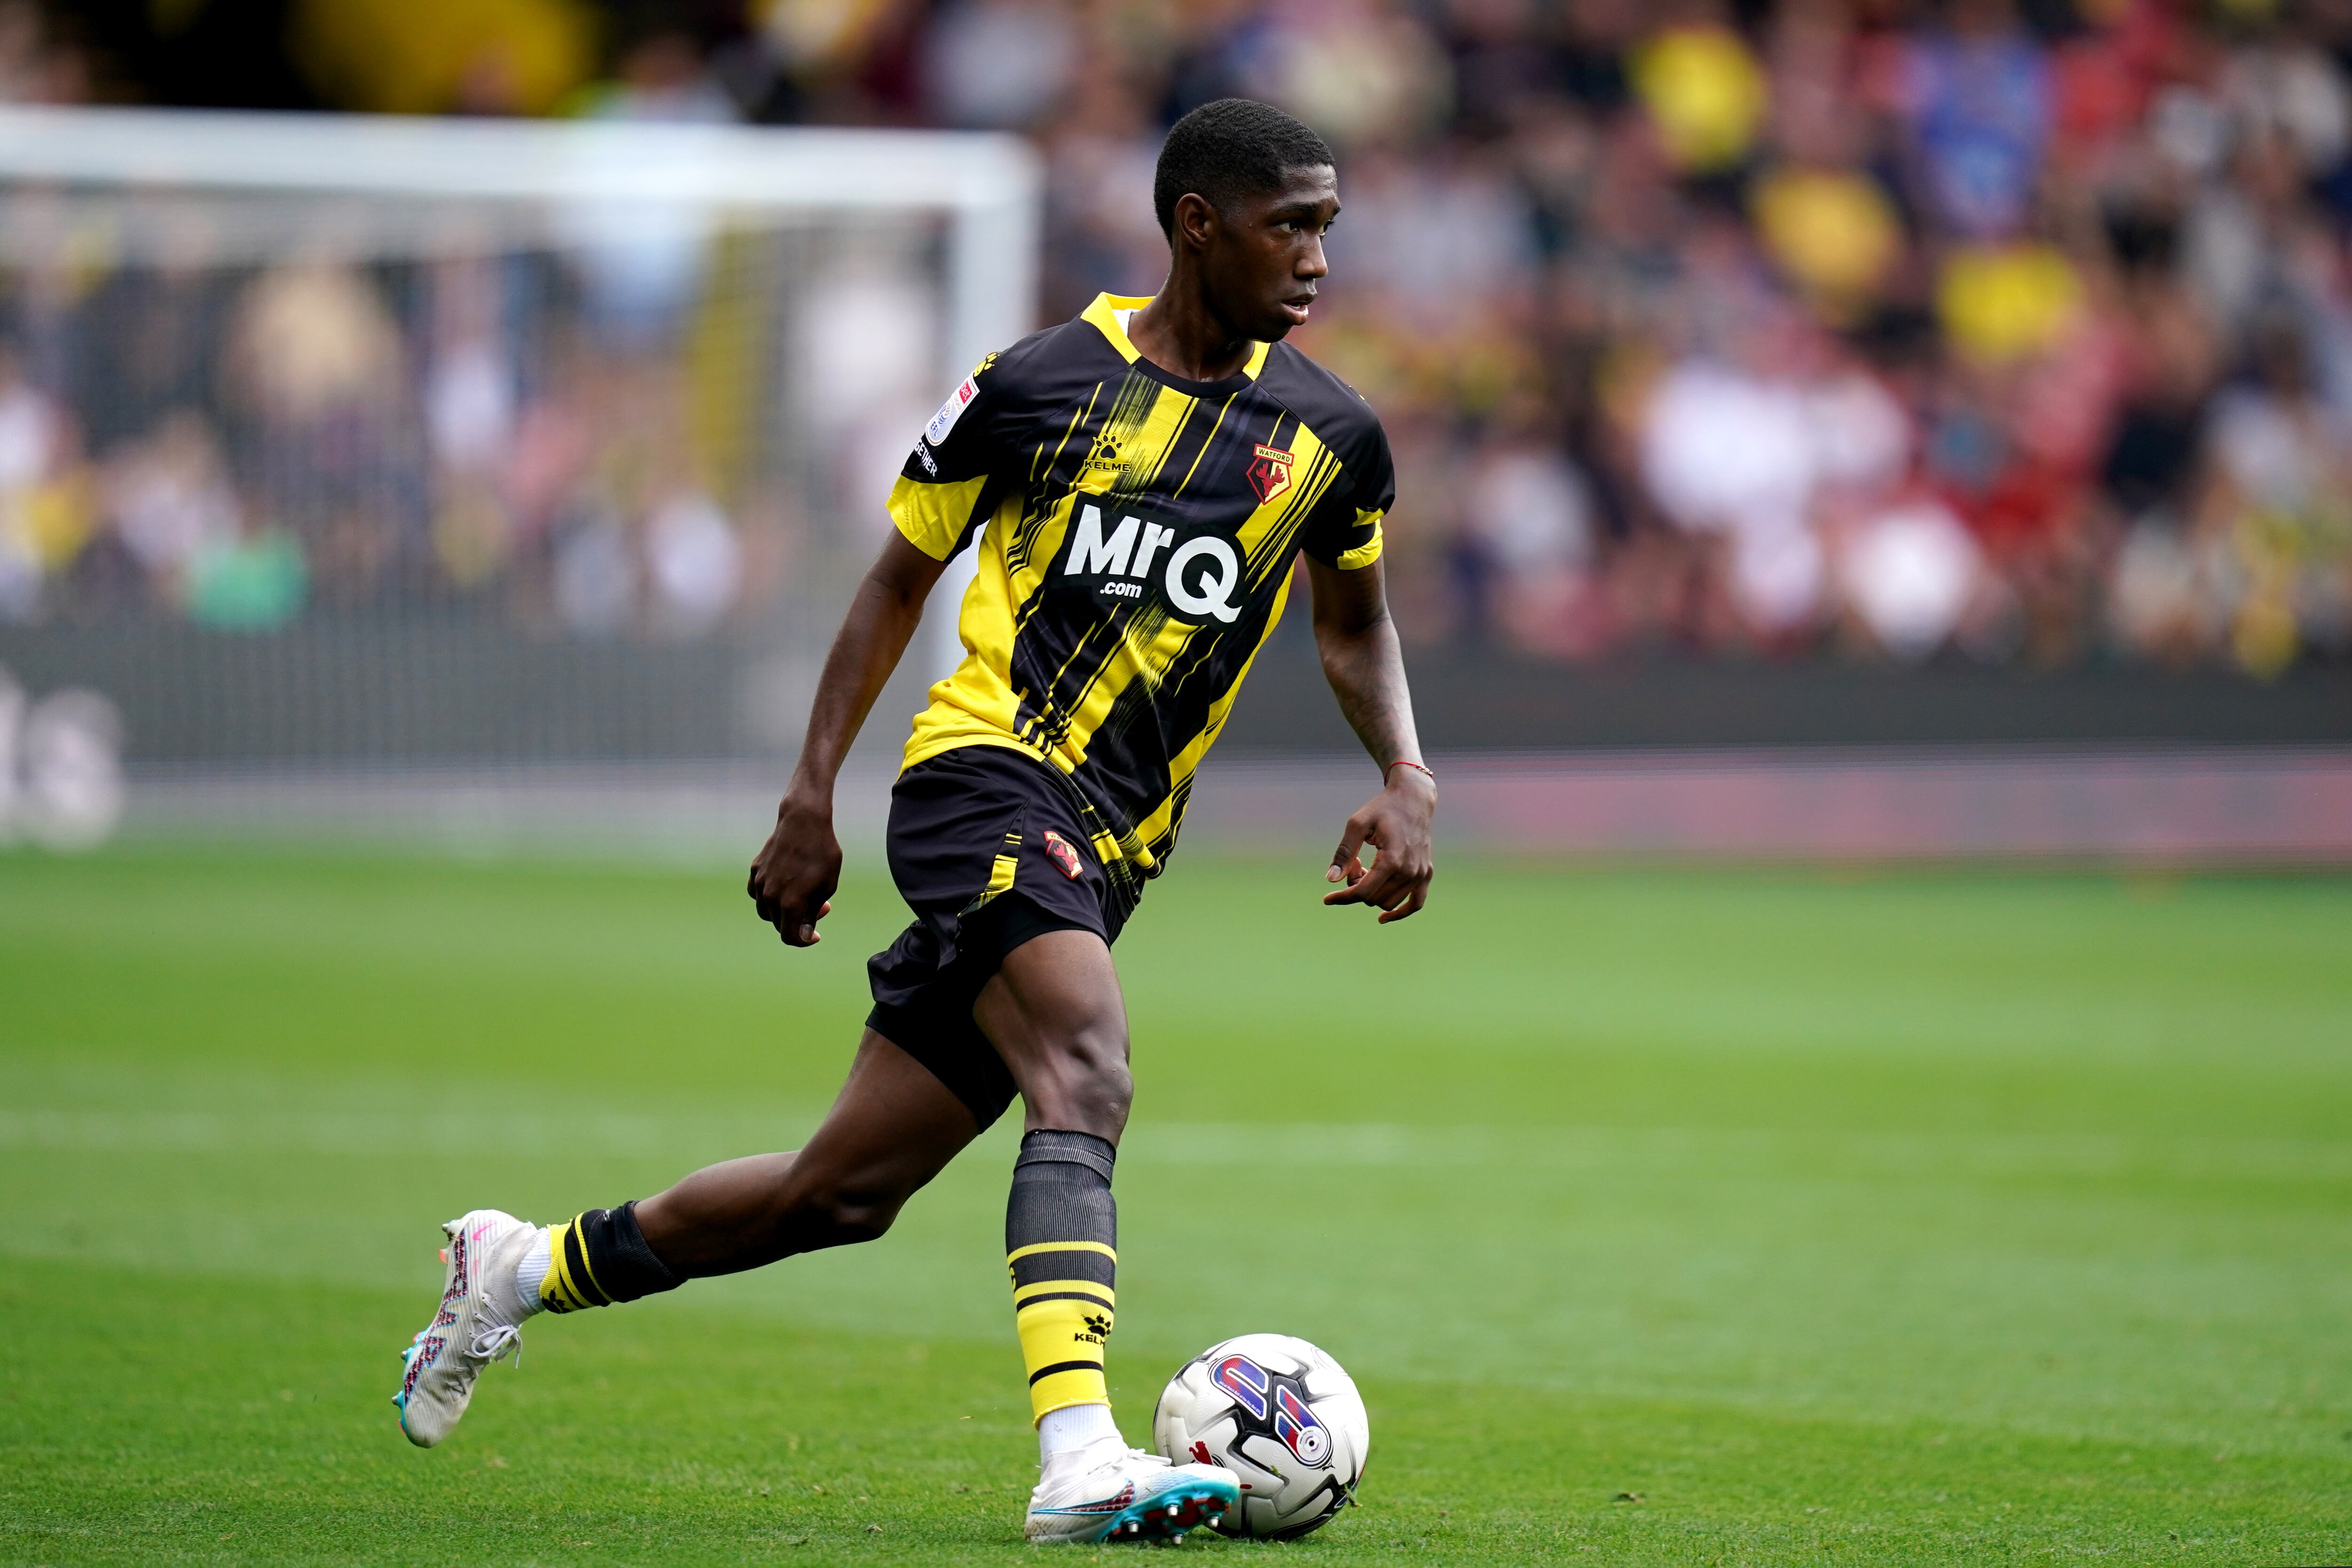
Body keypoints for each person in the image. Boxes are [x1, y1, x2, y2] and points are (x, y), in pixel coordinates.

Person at [392, 97, 1437, 1546]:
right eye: (1292, 224)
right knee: (1089, 1064)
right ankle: (1080, 1454)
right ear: (1199, 225)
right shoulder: (1038, 382)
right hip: (981, 779)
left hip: (1113, 848)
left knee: (841, 1193)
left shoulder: (1330, 434)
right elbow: (893, 583)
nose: (1320, 255)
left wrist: (1407, 773)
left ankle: (520, 1268)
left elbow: (1354, 624)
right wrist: (812, 792)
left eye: (1328, 224)